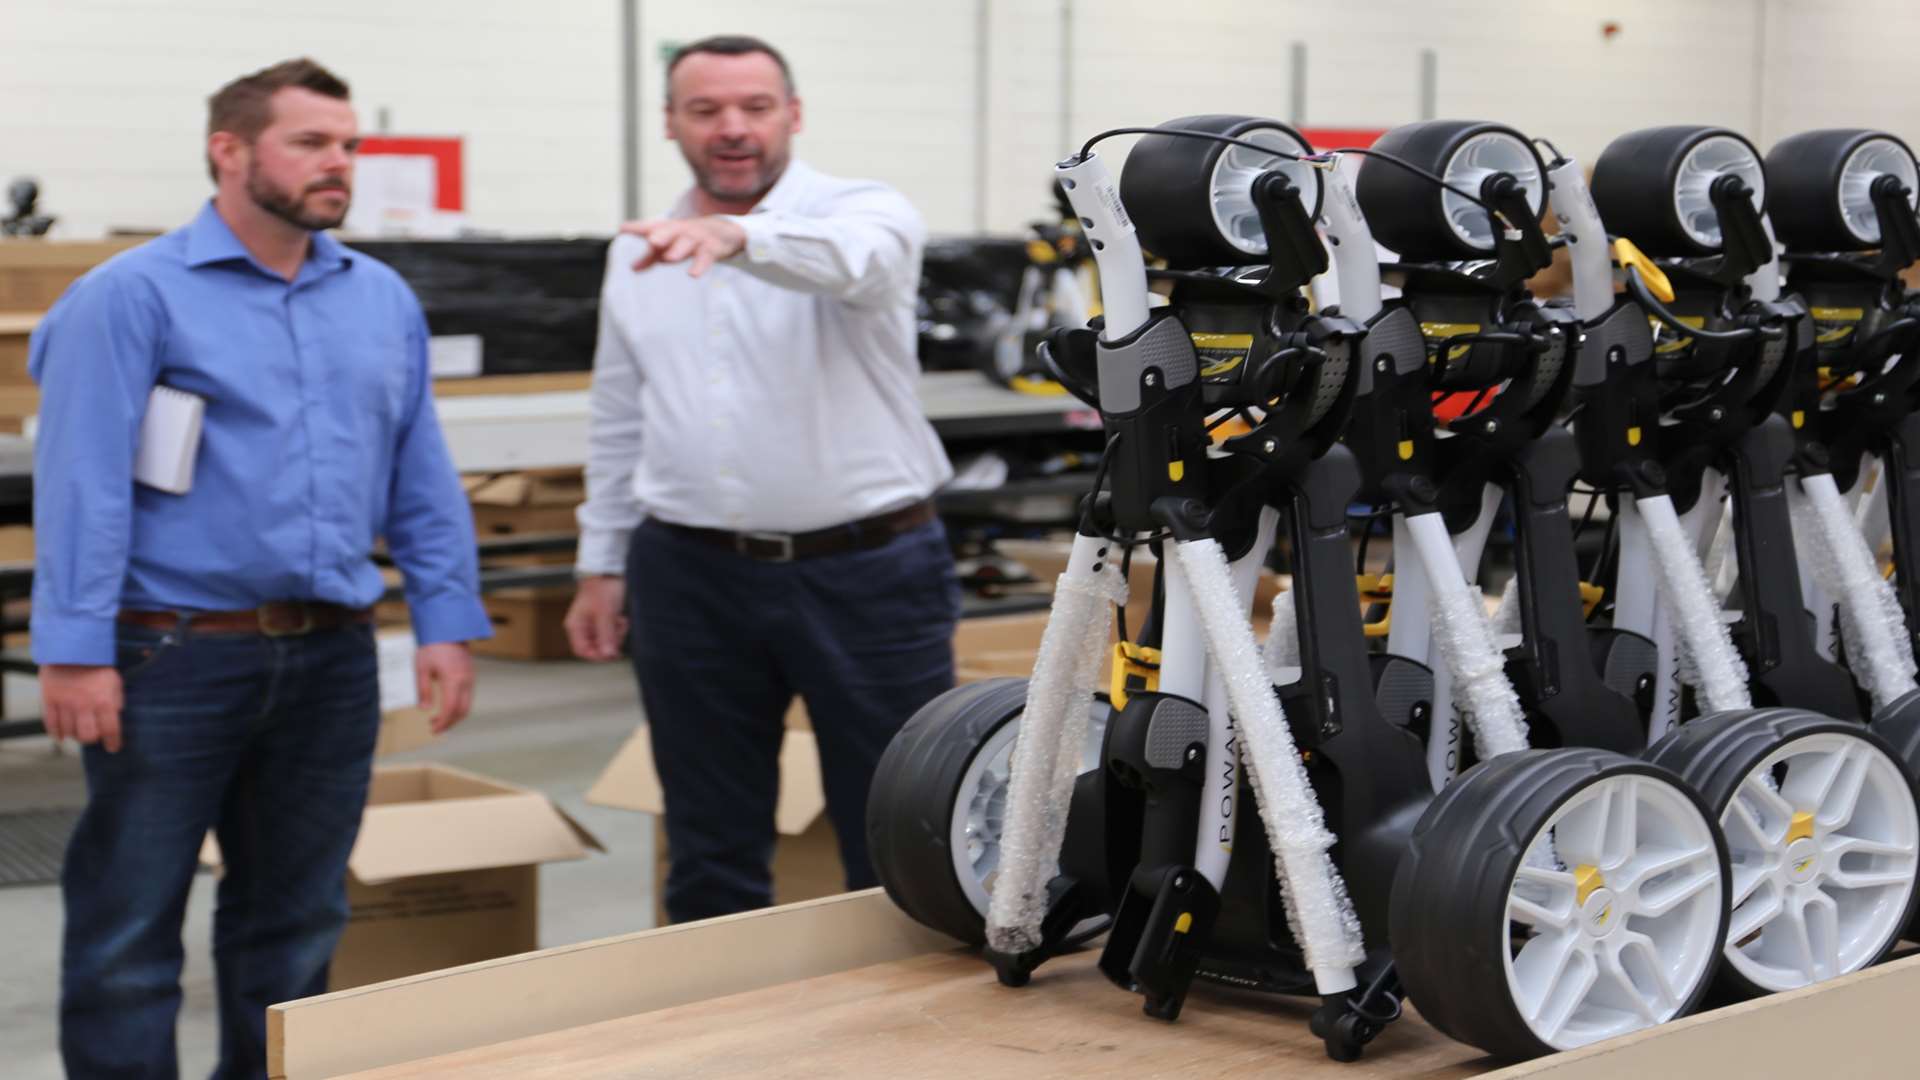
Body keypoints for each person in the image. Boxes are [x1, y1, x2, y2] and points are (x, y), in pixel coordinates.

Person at [30, 58, 490, 1078]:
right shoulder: (129, 298)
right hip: (170, 658)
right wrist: (71, 649)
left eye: (349, 145)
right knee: (127, 929)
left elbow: (419, 469)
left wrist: (447, 621)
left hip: (329, 660)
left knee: (295, 924)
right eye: (311, 142)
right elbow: (82, 483)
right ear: (228, 150)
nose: (339, 164)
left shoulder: (377, 299)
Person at [566, 34, 959, 923]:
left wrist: (736, 236)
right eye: (705, 110)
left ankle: (902, 1037)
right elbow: (620, 416)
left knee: (897, 820)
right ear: (671, 122)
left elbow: (857, 263)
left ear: (794, 115)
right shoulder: (637, 254)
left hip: (868, 573)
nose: (732, 129)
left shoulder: (863, 214)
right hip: (689, 574)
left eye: (754, 107)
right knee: (709, 835)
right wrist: (601, 563)